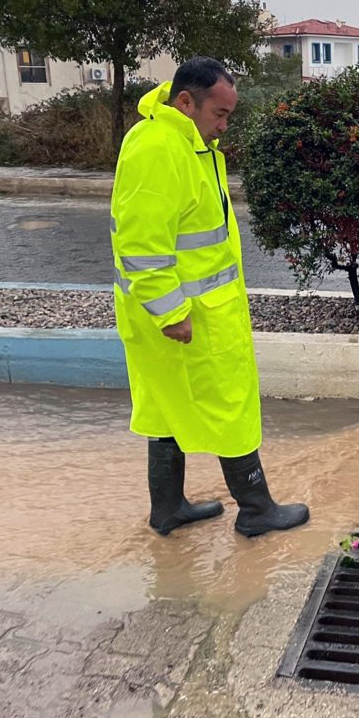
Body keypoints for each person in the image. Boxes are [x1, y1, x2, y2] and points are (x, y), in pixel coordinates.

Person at [110, 57, 309, 538]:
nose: (224, 126)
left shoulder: (184, 142)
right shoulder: (159, 149)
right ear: (186, 101)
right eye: (219, 114)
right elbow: (139, 245)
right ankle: (257, 508)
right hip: (183, 317)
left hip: (178, 313)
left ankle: (168, 509)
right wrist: (172, 311)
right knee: (229, 404)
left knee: (167, 406)